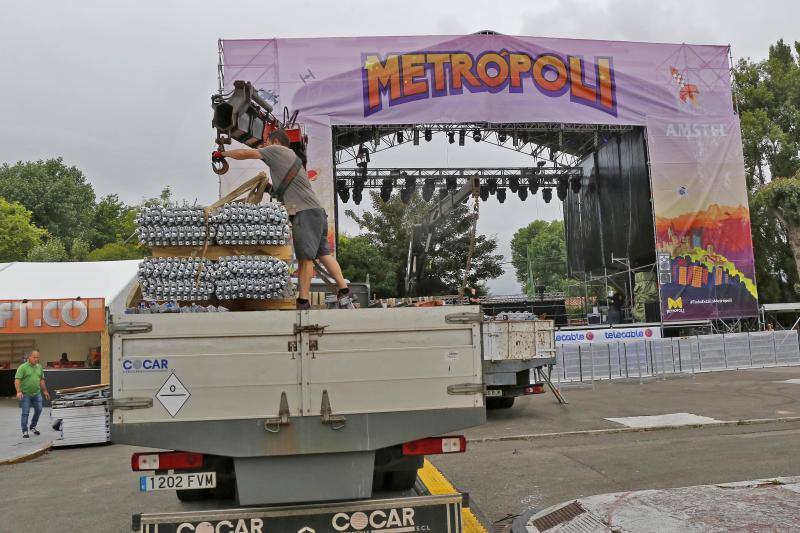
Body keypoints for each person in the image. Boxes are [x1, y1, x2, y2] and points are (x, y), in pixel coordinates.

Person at [219, 130, 352, 310]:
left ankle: (303, 302)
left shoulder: (276, 150)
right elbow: (288, 191)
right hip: (316, 212)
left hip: (304, 213)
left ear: (275, 141)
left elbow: (245, 154)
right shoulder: (291, 159)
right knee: (324, 255)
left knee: (306, 259)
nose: (264, 146)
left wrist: (222, 154)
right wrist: (269, 188)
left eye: (266, 142)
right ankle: (344, 290)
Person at [14, 350, 50, 438]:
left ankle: (32, 426)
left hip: (37, 393)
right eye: (34, 357)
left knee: (39, 410)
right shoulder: (22, 367)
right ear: (29, 357)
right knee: (25, 413)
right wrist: (18, 391)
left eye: (38, 357)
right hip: (25, 394)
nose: (36, 359)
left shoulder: (39, 367)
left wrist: (45, 391)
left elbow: (41, 380)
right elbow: (17, 380)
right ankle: (25, 430)